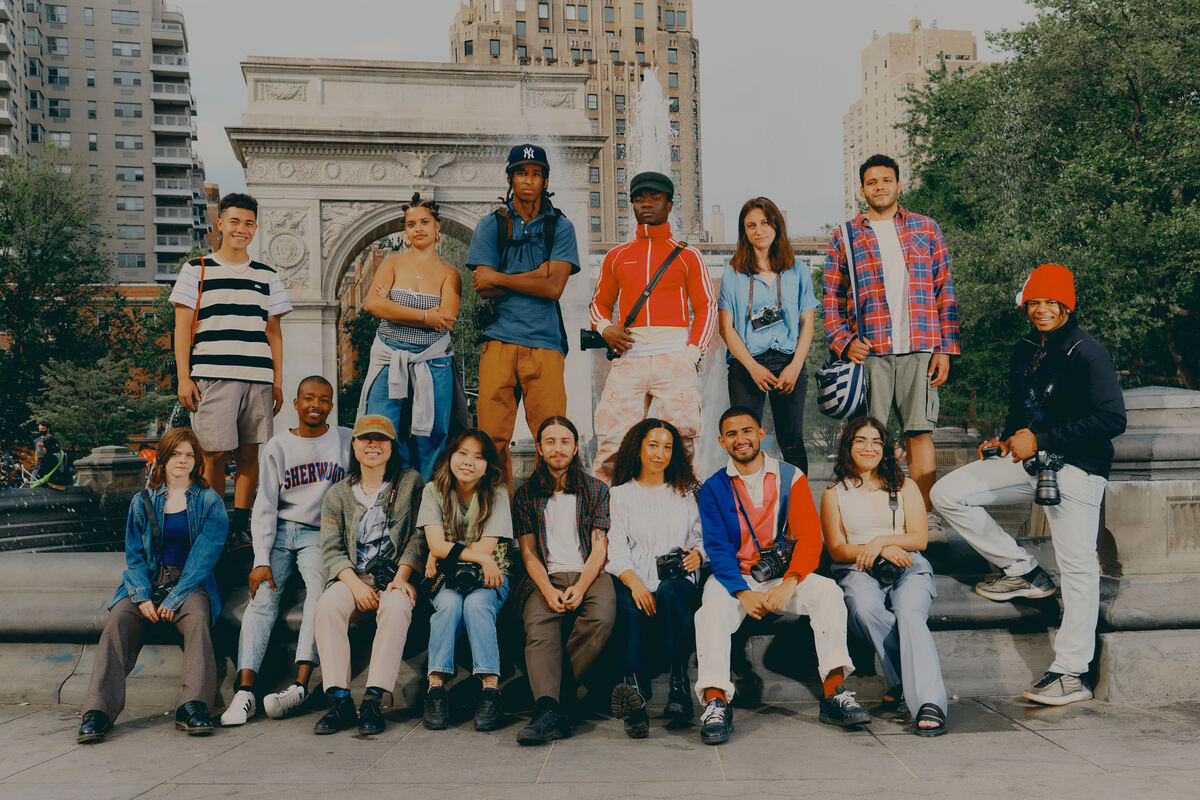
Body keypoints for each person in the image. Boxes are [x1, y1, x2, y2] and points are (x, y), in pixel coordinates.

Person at [931, 263, 1126, 706]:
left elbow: (1112, 419)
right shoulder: (1025, 349)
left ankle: (1071, 673)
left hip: (1077, 469)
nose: (1041, 310)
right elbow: (1023, 408)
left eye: (1050, 302)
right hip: (1031, 462)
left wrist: (1042, 440)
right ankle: (1024, 571)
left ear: (1067, 305)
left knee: (1078, 569)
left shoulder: (1087, 352)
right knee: (947, 493)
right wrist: (1005, 440)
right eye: (1034, 302)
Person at [694, 406, 869, 745]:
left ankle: (835, 693)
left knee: (829, 592)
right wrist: (742, 592)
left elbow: (809, 538)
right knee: (710, 612)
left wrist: (790, 582)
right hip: (736, 578)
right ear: (721, 441)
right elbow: (717, 548)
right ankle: (716, 702)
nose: (740, 439)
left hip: (781, 575)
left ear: (761, 434)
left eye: (747, 431)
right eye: (731, 434)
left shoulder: (790, 477)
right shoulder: (714, 487)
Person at [822, 154, 959, 518]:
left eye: (886, 180)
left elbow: (944, 289)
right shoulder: (845, 235)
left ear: (899, 184)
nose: (879, 187)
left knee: (919, 433)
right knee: (867, 437)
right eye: (871, 182)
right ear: (862, 189)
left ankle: (923, 517)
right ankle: (870, 515)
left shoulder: (926, 227)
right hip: (871, 351)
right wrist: (844, 342)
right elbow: (831, 299)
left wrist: (944, 349)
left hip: (920, 345)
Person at [76, 428, 228, 744]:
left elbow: (203, 558)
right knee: (118, 619)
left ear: (197, 460)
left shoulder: (209, 501)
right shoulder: (143, 500)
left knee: (198, 620)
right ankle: (97, 711)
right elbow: (133, 556)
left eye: (189, 455)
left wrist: (175, 598)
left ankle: (193, 706)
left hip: (189, 581)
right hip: (147, 578)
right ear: (163, 458)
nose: (183, 460)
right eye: (176, 454)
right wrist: (142, 596)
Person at [220, 376, 352, 726]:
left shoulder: (345, 440)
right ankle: (245, 691)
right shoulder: (278, 446)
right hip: (280, 530)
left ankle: (299, 685)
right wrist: (261, 559)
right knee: (262, 597)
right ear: (296, 403)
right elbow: (264, 505)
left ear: (331, 405)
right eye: (308, 398)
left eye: (323, 399)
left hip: (320, 533)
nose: (315, 405)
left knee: (319, 595)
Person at [170, 192, 293, 550]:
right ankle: (212, 522)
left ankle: (242, 524)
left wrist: (278, 381)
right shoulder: (197, 269)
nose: (242, 229)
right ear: (220, 223)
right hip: (212, 374)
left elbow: (273, 332)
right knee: (213, 454)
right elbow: (182, 327)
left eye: (249, 223)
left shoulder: (267, 276)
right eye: (235, 221)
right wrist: (184, 376)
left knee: (250, 454)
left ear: (256, 227)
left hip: (258, 376)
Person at [821, 417, 948, 736]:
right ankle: (908, 681)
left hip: (908, 565)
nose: (870, 447)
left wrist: (882, 542)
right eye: (861, 441)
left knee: (909, 613)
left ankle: (929, 702)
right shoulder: (834, 494)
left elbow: (919, 538)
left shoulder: (904, 486)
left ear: (885, 448)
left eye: (877, 441)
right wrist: (875, 550)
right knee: (864, 607)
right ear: (848, 446)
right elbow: (837, 549)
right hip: (859, 568)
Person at [589, 171, 715, 482]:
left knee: (684, 439)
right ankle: (604, 507)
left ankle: (689, 505)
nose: (646, 204)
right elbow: (599, 303)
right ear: (631, 204)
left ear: (669, 205)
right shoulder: (616, 256)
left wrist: (692, 354)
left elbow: (706, 306)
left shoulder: (688, 255)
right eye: (639, 199)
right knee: (612, 440)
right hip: (630, 355)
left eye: (654, 198)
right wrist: (605, 328)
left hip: (674, 356)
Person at [466, 143, 581, 478]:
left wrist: (502, 277)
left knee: (554, 440)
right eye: (521, 173)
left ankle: (551, 507)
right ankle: (497, 511)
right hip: (498, 342)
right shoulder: (492, 224)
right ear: (510, 178)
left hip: (545, 344)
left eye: (535, 173)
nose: (528, 180)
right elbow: (482, 285)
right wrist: (538, 274)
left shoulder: (560, 227)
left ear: (545, 180)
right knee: (491, 442)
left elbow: (554, 287)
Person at [311, 414, 427, 735]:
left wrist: (402, 578)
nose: (373, 445)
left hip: (396, 576)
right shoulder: (337, 494)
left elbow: (418, 538)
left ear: (392, 446)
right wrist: (356, 587)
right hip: (352, 577)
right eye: (366, 438)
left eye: (381, 439)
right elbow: (331, 550)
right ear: (355, 445)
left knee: (397, 606)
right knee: (327, 607)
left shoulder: (410, 483)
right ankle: (340, 700)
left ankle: (373, 698)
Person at [512, 416, 615, 745]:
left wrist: (581, 587)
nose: (558, 448)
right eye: (551, 442)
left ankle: (551, 703)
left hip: (590, 572)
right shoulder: (526, 495)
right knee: (539, 625)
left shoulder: (596, 490)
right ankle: (552, 707)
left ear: (575, 446)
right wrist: (547, 589)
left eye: (565, 441)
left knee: (601, 616)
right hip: (545, 574)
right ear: (540, 448)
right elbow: (528, 553)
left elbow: (599, 548)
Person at [606, 418, 705, 738]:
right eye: (653, 445)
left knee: (671, 594)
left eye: (667, 447)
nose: (660, 453)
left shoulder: (686, 491)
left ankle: (679, 687)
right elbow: (616, 550)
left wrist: (699, 555)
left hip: (677, 575)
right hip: (634, 574)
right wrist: (635, 584)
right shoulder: (619, 495)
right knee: (628, 606)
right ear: (638, 449)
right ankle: (635, 695)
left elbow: (703, 538)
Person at [359, 193, 462, 479]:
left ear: (437, 226)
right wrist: (426, 316)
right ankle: (390, 491)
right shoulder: (391, 263)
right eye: (411, 224)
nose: (418, 228)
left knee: (432, 435)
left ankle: (426, 493)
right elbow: (372, 305)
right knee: (381, 429)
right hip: (388, 356)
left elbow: (445, 319)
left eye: (424, 222)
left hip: (434, 360)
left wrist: (393, 308)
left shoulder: (450, 273)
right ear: (405, 229)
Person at [418, 428, 513, 732]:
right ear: (450, 457)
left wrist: (447, 552)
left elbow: (483, 549)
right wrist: (476, 555)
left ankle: (490, 690)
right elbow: (436, 545)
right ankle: (435, 688)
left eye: (479, 456)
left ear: (488, 465)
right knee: (448, 605)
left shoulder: (497, 492)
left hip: (490, 575)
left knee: (476, 606)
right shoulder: (433, 491)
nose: (469, 462)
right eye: (462, 453)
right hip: (447, 579)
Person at [718, 197, 818, 472]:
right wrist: (753, 368)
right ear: (744, 232)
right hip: (746, 364)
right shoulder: (733, 273)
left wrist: (795, 367)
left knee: (792, 440)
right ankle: (748, 496)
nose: (759, 230)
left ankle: (796, 499)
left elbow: (807, 323)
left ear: (776, 226)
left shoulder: (797, 269)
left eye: (764, 223)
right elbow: (726, 328)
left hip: (788, 362)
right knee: (744, 440)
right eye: (751, 225)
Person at [32, 420, 66, 488]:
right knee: (34, 479)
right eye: (39, 429)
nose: (41, 431)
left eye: (43, 429)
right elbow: (37, 453)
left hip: (50, 464)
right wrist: (36, 464)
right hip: (40, 464)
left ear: (48, 429)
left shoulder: (53, 439)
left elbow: (55, 453)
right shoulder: (37, 440)